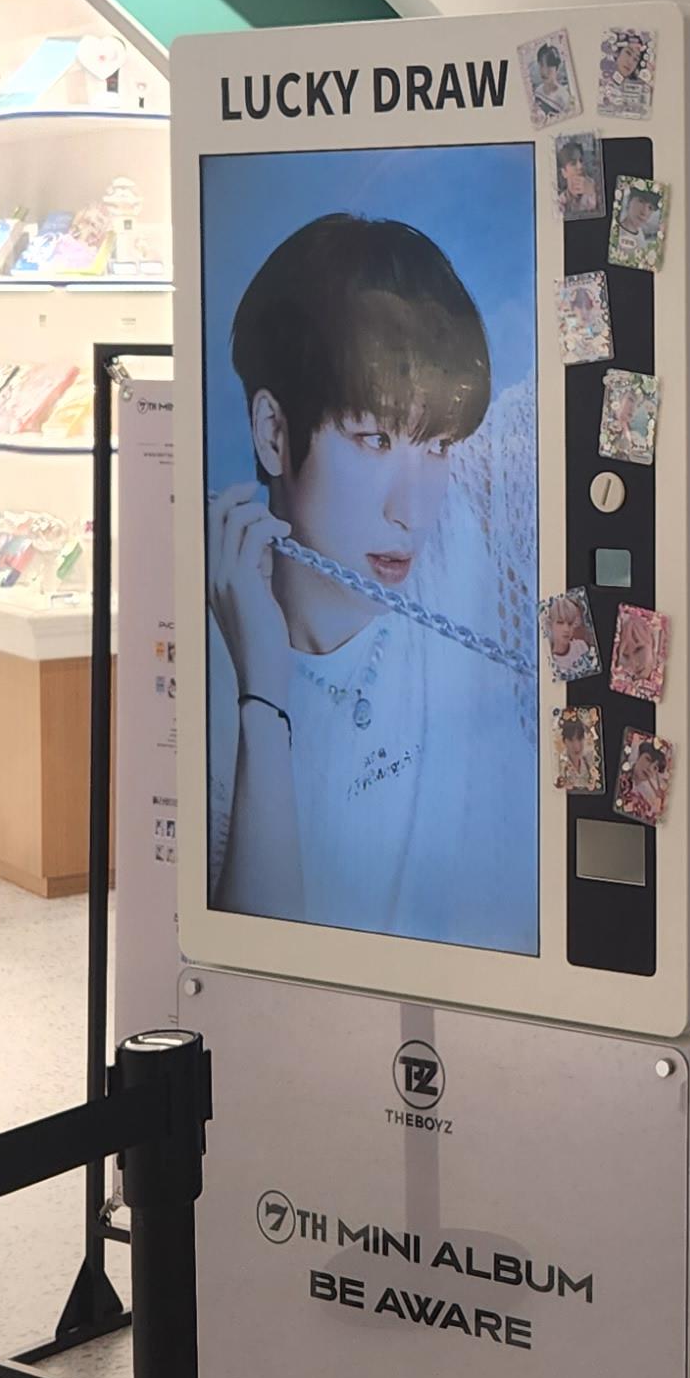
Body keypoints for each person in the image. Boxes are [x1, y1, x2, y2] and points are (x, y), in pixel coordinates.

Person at [206, 207, 536, 953]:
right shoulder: (210, 677)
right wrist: (263, 695)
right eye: (375, 439)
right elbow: (264, 970)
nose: (412, 511)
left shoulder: (474, 515)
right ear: (273, 432)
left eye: (438, 446)